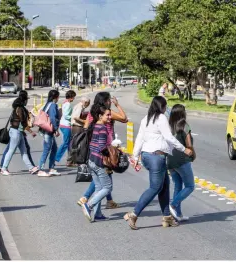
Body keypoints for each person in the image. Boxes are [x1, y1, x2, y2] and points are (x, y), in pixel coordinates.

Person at [124, 96, 193, 230]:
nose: (166, 108)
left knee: (165, 185)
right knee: (155, 187)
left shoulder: (146, 119)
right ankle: (134, 214)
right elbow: (169, 137)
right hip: (156, 157)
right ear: (161, 107)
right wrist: (184, 149)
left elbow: (139, 138)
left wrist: (135, 156)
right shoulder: (161, 118)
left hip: (146, 156)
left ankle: (167, 217)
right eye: (165, 106)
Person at [77, 92, 128, 209]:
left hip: (93, 149)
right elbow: (124, 118)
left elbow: (85, 128)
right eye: (109, 100)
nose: (110, 102)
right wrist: (118, 105)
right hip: (106, 148)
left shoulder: (92, 113)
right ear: (105, 101)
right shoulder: (106, 113)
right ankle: (87, 199)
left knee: (103, 178)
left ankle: (106, 203)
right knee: (104, 178)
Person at [81, 104, 112, 222]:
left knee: (99, 187)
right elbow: (101, 147)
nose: (109, 117)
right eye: (107, 115)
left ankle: (98, 213)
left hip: (91, 160)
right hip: (99, 161)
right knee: (107, 187)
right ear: (100, 116)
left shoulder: (95, 126)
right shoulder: (103, 128)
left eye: (110, 115)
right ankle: (89, 205)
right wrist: (113, 150)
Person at [168, 104, 196, 221]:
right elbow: (188, 144)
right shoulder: (184, 125)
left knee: (178, 186)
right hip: (182, 160)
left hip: (170, 160)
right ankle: (173, 204)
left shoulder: (169, 126)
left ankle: (177, 215)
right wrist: (193, 154)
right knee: (190, 186)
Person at [0, 93, 39, 176]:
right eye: (26, 100)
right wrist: (31, 132)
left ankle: (31, 168)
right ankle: (3, 168)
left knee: (24, 151)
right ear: (24, 100)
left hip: (19, 132)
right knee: (11, 151)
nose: (27, 101)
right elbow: (23, 122)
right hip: (15, 132)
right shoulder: (20, 109)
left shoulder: (18, 108)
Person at [37, 90, 61, 177]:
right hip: (49, 130)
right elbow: (52, 118)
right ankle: (41, 169)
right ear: (56, 97)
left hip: (45, 130)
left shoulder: (47, 104)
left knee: (54, 148)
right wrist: (55, 129)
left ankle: (51, 168)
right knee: (47, 149)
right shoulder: (53, 105)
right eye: (58, 97)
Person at [55, 90, 76, 166]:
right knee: (66, 143)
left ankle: (70, 160)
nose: (73, 99)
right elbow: (66, 115)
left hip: (63, 124)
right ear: (71, 97)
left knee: (69, 143)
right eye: (73, 97)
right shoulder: (68, 104)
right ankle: (56, 157)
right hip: (66, 125)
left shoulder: (64, 103)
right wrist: (74, 117)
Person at [68, 96, 90, 163]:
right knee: (76, 144)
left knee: (76, 144)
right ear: (85, 102)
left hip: (77, 127)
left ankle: (73, 160)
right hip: (77, 127)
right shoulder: (79, 107)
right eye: (88, 103)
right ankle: (71, 160)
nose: (88, 105)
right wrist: (84, 121)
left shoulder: (80, 106)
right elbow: (76, 117)